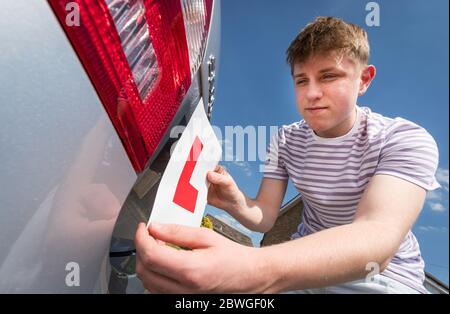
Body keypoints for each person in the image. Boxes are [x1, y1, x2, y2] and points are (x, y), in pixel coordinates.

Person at [134, 16, 440, 294]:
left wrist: (254, 270)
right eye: (302, 80)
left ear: (363, 80)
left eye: (329, 77)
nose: (312, 93)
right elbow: (265, 217)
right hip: (299, 266)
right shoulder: (285, 140)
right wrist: (236, 202)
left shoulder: (404, 138)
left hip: (383, 279)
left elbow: (377, 240)